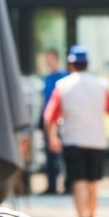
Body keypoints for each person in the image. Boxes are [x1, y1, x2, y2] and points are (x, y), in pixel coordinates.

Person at [44, 44, 109, 217]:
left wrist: (53, 137)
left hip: (73, 141)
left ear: (71, 64)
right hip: (96, 141)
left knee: (78, 182)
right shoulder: (101, 85)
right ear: (87, 64)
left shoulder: (62, 86)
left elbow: (49, 117)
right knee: (92, 184)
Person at [39, 49, 68, 195]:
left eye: (50, 58)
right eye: (46, 59)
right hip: (48, 120)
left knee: (64, 155)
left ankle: (68, 185)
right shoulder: (46, 78)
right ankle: (52, 186)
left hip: (61, 121)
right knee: (50, 155)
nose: (48, 61)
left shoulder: (64, 78)